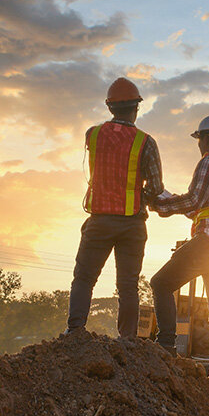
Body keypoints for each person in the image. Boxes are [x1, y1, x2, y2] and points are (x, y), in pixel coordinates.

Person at [149, 114, 209, 382]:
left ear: (206, 139)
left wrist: (161, 205)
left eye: (199, 140)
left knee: (160, 283)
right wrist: (177, 206)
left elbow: (193, 200)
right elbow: (208, 209)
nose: (199, 146)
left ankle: (166, 346)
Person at [66, 77, 164, 338]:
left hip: (99, 221)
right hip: (132, 223)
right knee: (128, 286)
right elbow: (155, 187)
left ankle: (75, 331)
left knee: (84, 278)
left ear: (110, 107)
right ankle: (128, 341)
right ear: (137, 108)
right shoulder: (146, 142)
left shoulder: (92, 134)